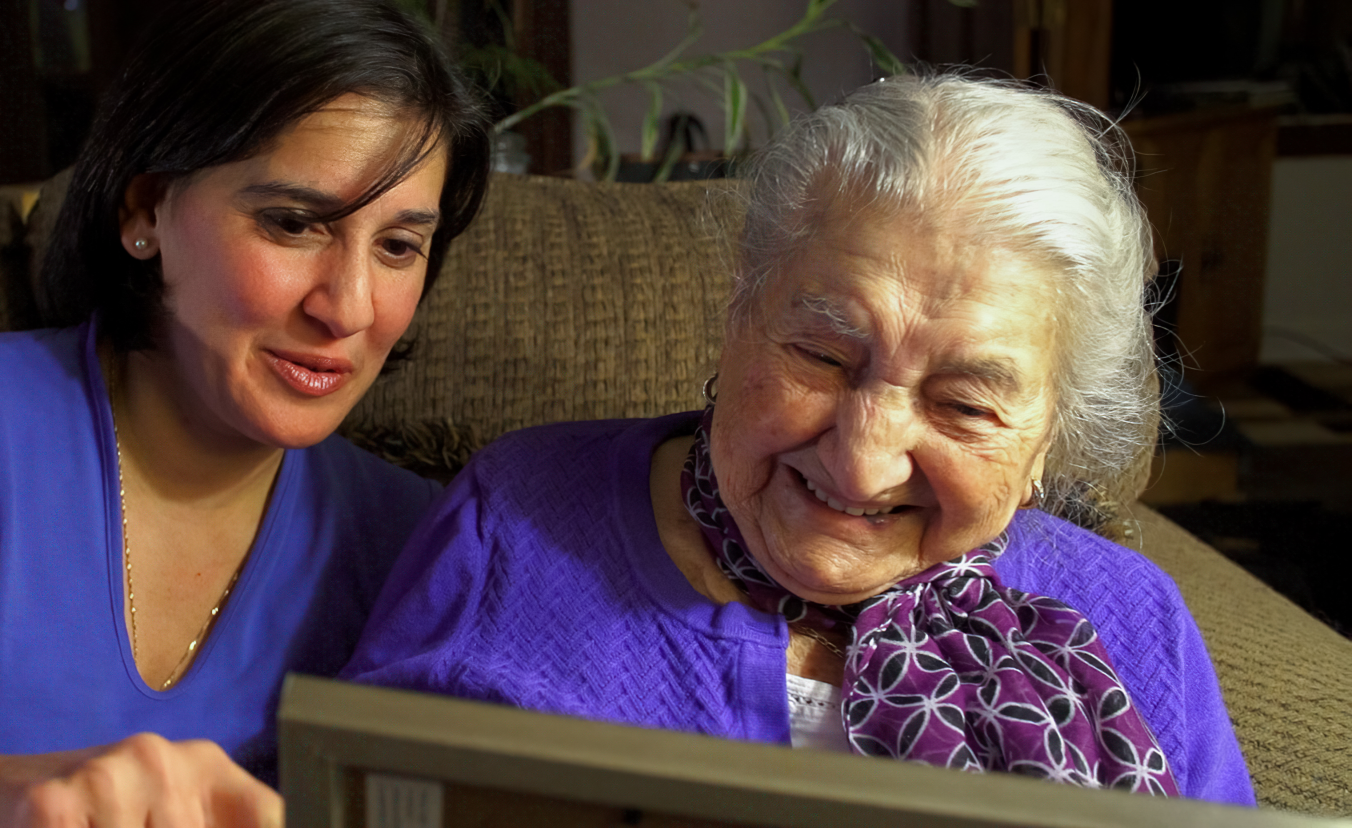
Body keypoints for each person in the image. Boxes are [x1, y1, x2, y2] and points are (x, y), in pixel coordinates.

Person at [343, 74, 1255, 805]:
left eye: (965, 404)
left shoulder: (1135, 623)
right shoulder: (517, 519)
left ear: (1048, 435)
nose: (862, 459)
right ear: (743, 305)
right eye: (822, 355)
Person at [0, 0, 490, 824]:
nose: (349, 307)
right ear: (146, 213)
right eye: (293, 223)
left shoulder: (424, 547)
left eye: (398, 246)